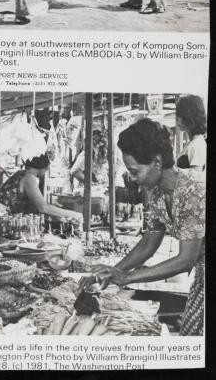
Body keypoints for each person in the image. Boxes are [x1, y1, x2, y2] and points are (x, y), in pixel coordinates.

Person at [78, 118, 205, 336]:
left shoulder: (192, 191)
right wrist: (112, 272)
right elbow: (149, 241)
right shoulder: (155, 191)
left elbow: (186, 260)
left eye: (135, 171)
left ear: (157, 162)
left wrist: (127, 278)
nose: (133, 179)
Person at [1, 154, 83, 228]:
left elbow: (37, 203)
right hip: (9, 224)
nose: (45, 172)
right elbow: (43, 208)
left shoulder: (22, 174)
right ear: (43, 166)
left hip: (10, 223)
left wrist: (52, 207)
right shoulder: (29, 178)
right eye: (46, 169)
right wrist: (76, 215)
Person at [175, 95, 206, 171]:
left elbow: (196, 180)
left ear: (189, 117)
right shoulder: (192, 142)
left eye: (179, 116)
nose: (177, 120)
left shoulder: (197, 145)